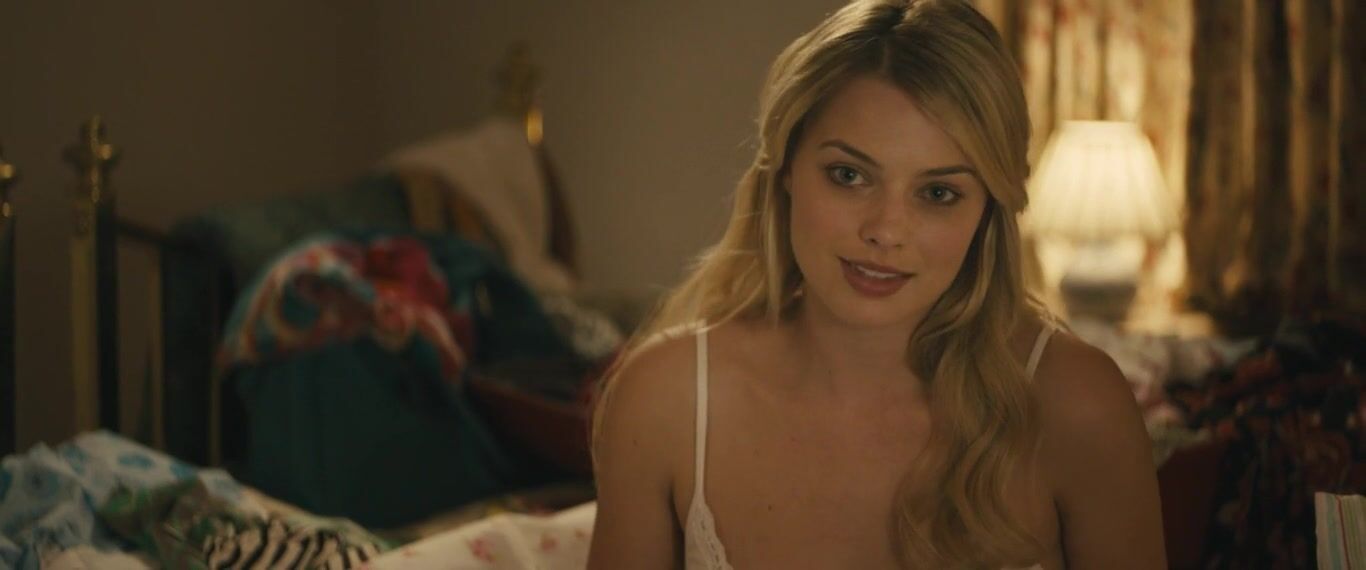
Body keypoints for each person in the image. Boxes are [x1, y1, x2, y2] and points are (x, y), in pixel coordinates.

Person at [587, 0, 1165, 568]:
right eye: (849, 175)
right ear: (786, 169)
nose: (886, 231)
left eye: (937, 193)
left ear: (988, 208)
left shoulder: (1077, 406)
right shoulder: (667, 400)